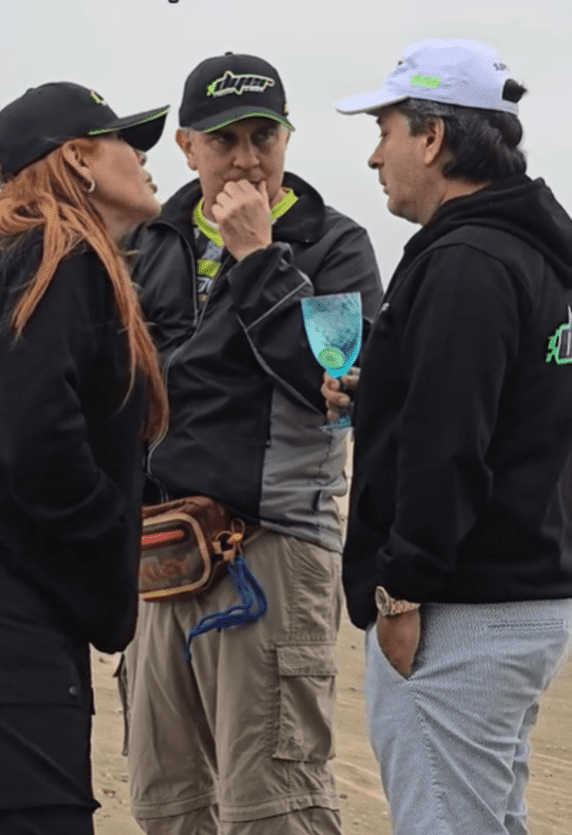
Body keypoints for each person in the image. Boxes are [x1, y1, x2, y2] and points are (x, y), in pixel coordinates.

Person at [120, 52, 383, 835]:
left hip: (270, 549)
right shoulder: (146, 241)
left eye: (263, 136)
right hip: (158, 553)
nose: (246, 159)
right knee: (168, 804)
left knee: (275, 806)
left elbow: (331, 387)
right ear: (186, 147)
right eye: (224, 139)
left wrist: (258, 260)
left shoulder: (333, 243)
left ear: (289, 139)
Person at [333, 38, 572, 835]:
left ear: (432, 137)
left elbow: (448, 444)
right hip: (523, 591)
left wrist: (401, 588)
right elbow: (509, 408)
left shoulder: (466, 259)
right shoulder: (533, 255)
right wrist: (389, 390)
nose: (375, 156)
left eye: (386, 130)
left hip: (459, 607)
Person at [0, 82, 170, 835]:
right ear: (79, 159)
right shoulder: (61, 253)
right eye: (129, 141)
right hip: (9, 606)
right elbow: (38, 440)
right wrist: (107, 547)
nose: (144, 158)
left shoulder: (1, 258)